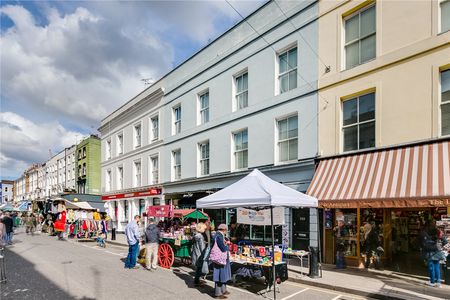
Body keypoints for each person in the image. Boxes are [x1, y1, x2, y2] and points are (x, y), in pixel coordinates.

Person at [422, 221, 447, 288]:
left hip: (430, 252)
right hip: (437, 252)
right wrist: (441, 247)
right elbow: (445, 242)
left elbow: (425, 243)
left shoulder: (427, 232)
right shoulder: (439, 231)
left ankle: (432, 282)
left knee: (431, 267)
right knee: (437, 267)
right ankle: (438, 282)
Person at [212, 224, 231, 299]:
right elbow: (223, 248)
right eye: (226, 230)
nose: (227, 231)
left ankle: (223, 290)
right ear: (224, 229)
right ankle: (218, 293)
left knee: (222, 274)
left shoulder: (218, 235)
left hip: (220, 258)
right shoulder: (219, 236)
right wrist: (227, 245)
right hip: (220, 258)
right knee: (219, 274)